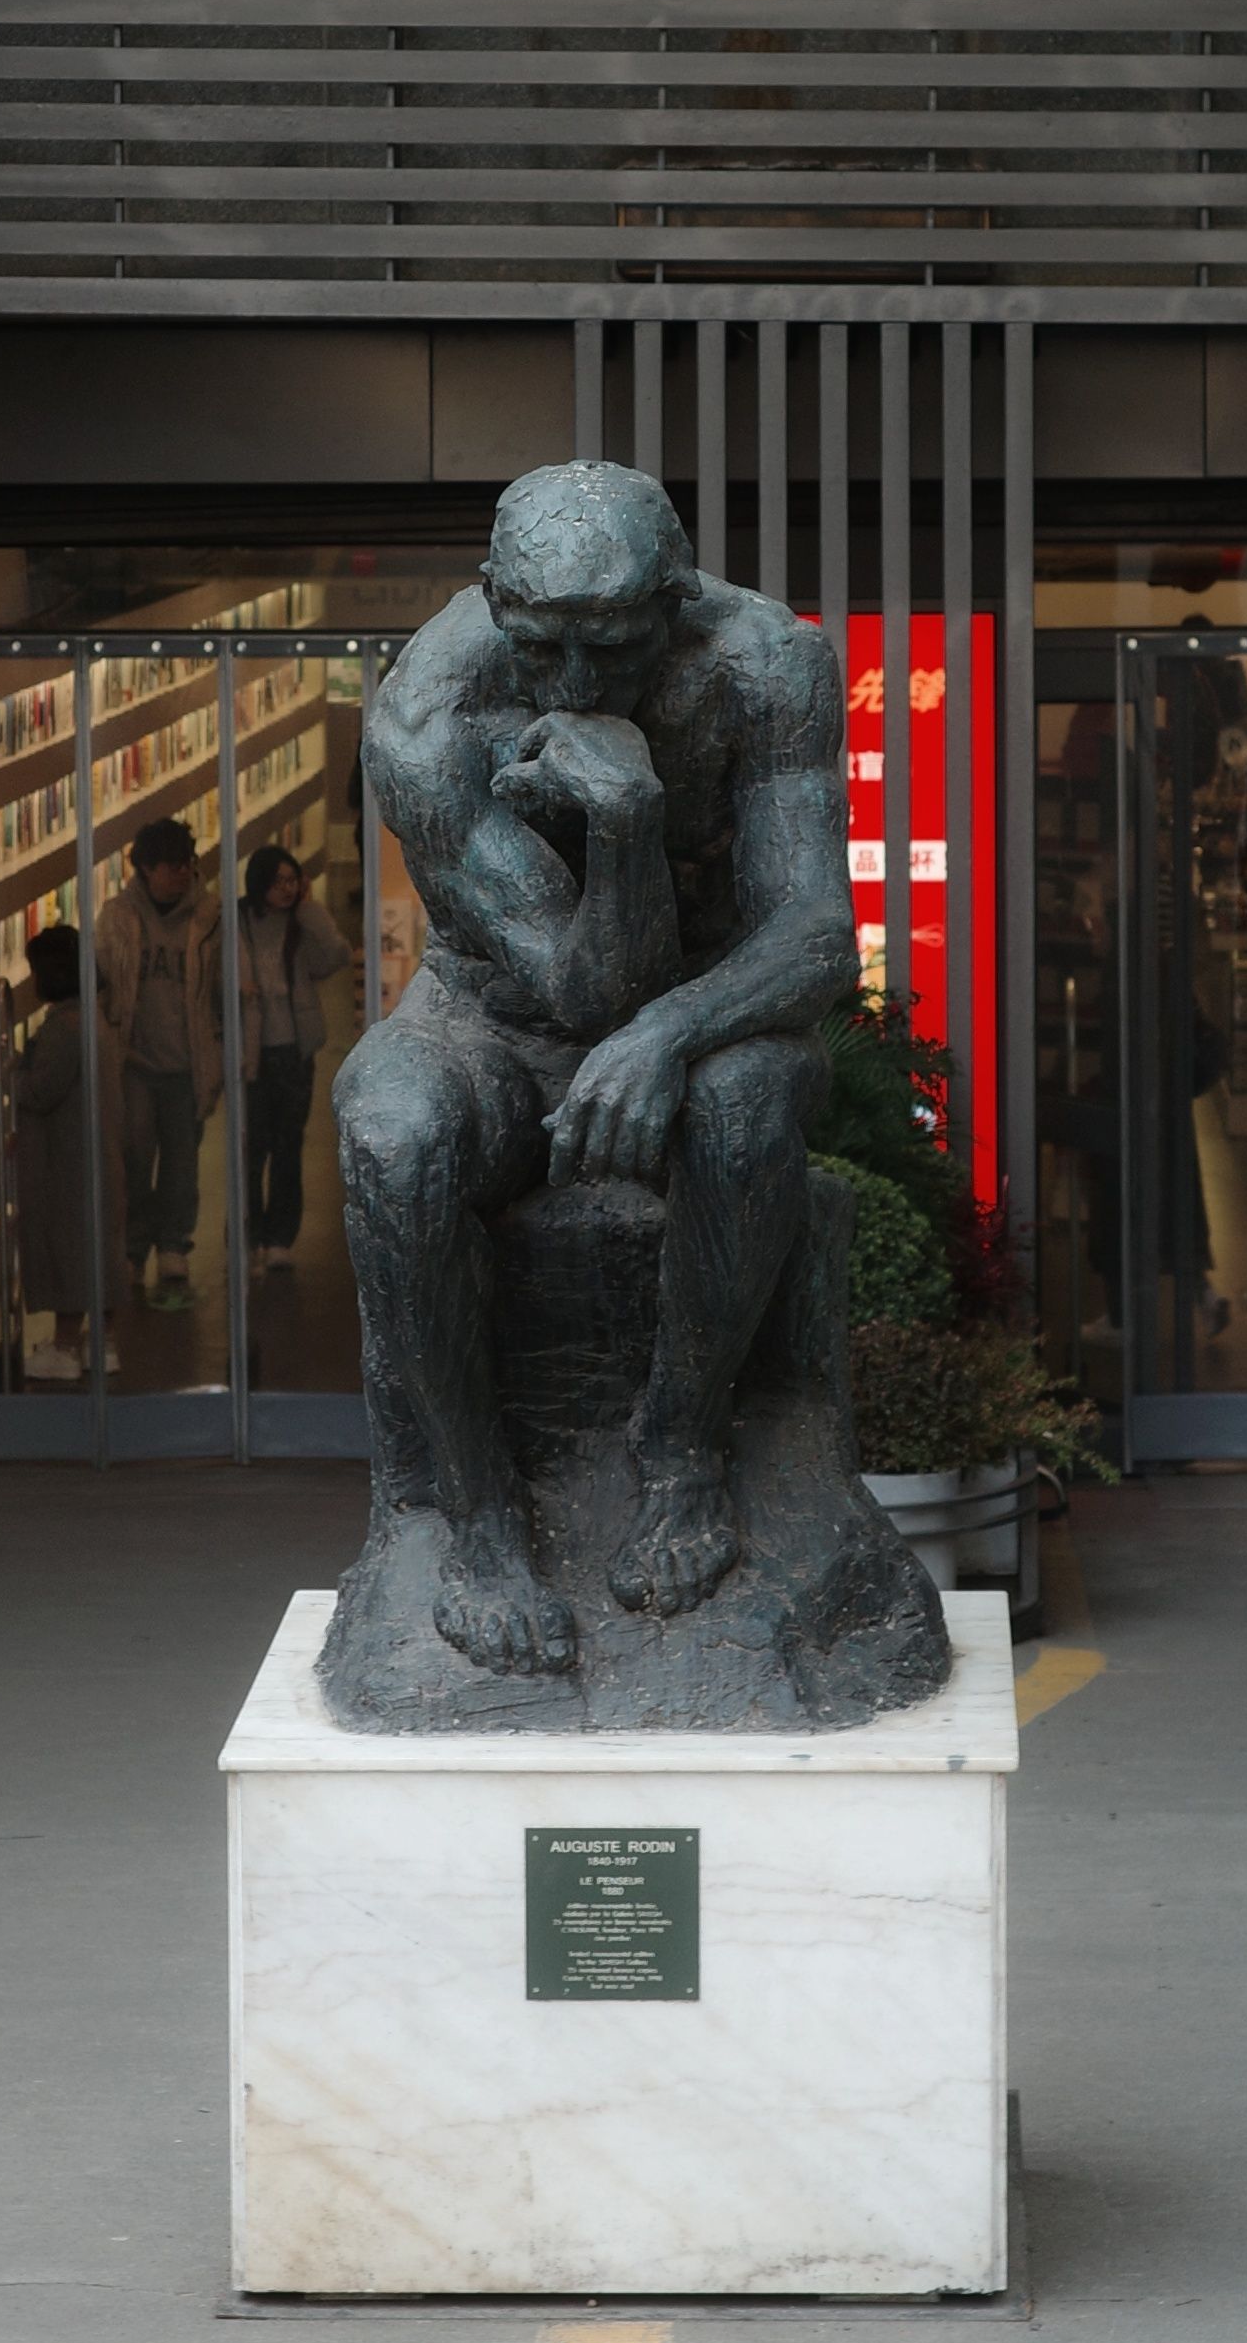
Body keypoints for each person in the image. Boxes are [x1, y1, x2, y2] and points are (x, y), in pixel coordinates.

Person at [337, 459, 857, 1676]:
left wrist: (670, 1032)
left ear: (675, 602)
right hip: (491, 1020)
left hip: (708, 1010)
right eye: (542, 649)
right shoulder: (427, 714)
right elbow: (579, 989)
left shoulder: (767, 664)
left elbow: (816, 932)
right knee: (391, 1135)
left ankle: (680, 1447)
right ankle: (476, 1517)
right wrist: (625, 821)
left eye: (613, 652)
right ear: (493, 602)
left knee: (744, 1104)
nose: (574, 686)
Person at [98, 818, 227, 1309]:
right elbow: (104, 981)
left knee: (181, 1161)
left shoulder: (209, 917)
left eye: (186, 866)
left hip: (188, 1062)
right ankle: (133, 1249)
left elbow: (221, 988)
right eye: (171, 867)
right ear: (147, 870)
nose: (181, 876)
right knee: (133, 1158)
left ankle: (173, 1245)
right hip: (134, 1062)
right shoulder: (117, 917)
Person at [8, 921, 123, 1380]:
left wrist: (7, 1072)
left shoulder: (65, 1027)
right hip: (96, 1152)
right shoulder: (94, 1019)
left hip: (67, 1159)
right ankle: (102, 1342)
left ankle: (65, 1346)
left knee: (69, 1250)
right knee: (99, 1248)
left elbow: (40, 1091)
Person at [239, 843, 349, 1272]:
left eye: (292, 880)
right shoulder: (239, 921)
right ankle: (249, 1235)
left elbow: (334, 956)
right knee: (252, 1147)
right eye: (278, 881)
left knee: (288, 1145)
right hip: (250, 1049)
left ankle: (280, 1237)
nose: (286, 889)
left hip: (293, 1047)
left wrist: (310, 909)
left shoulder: (301, 923)